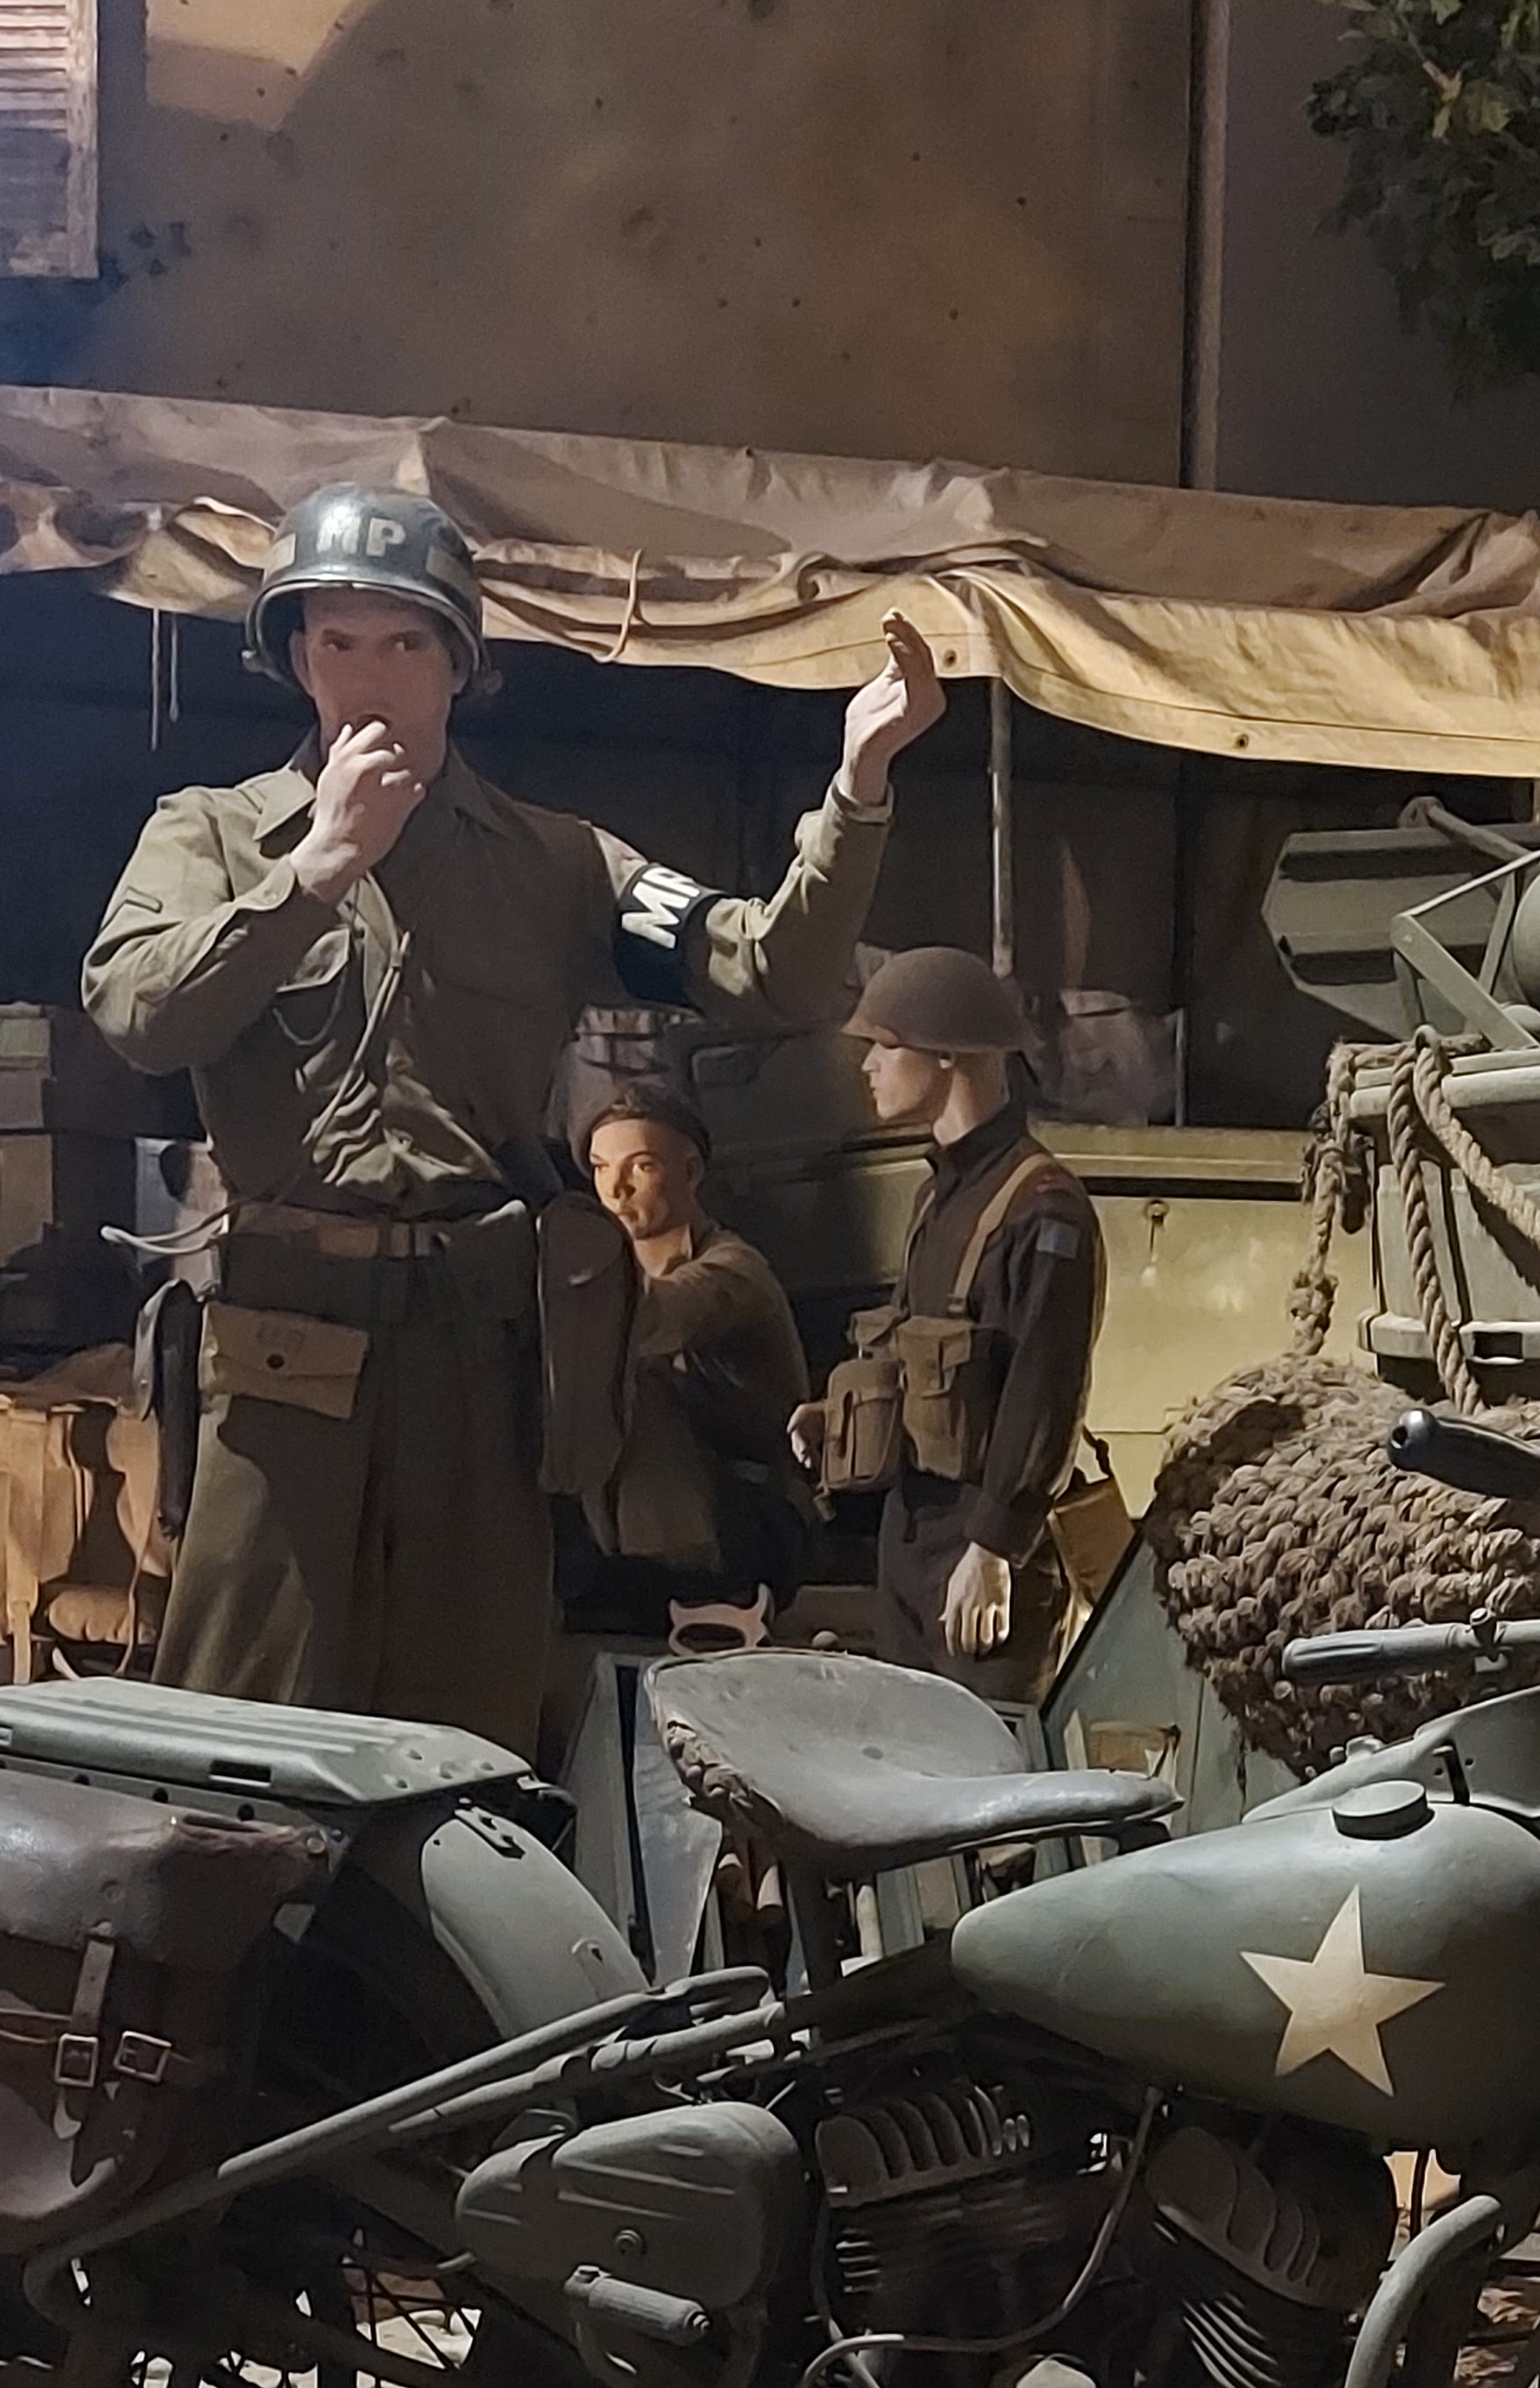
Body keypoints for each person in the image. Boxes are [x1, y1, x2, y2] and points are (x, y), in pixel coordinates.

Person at [81, 483, 944, 1750]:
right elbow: (136, 1011)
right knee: (244, 1735)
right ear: (296, 658)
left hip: (477, 1366)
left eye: (405, 641)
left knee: (463, 1736)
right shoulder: (211, 837)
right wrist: (312, 873)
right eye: (337, 640)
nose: (369, 677)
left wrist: (858, 786)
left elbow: (773, 971)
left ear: (459, 664)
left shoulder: (555, 865)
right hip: (283, 1357)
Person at [810, 945, 1103, 1699]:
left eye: (886, 1045)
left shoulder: (1042, 1209)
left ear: (946, 1056)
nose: (869, 1065)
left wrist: (995, 1547)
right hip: (911, 1531)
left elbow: (1044, 1392)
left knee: (990, 1757)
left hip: (981, 1550)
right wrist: (837, 1417)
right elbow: (913, 1344)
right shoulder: (936, 1196)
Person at [572, 1091, 813, 1636]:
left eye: (641, 1166)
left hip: (745, 1527)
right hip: (654, 1530)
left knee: (636, 1380)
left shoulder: (733, 1269)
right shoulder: (625, 1269)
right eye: (601, 1168)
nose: (616, 1188)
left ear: (691, 1172)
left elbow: (661, 1317)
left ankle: (661, 1586)